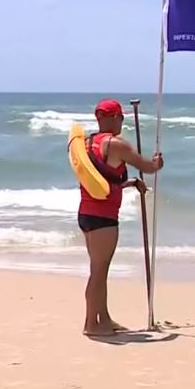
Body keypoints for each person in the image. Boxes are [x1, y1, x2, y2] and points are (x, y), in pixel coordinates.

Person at [78, 99, 163, 336]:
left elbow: (102, 181)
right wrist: (156, 163)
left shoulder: (88, 143)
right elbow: (146, 165)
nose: (122, 123)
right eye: (122, 118)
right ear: (115, 118)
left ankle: (103, 318)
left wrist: (129, 182)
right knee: (99, 271)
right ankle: (91, 324)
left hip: (87, 214)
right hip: (103, 218)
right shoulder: (116, 144)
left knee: (100, 268)